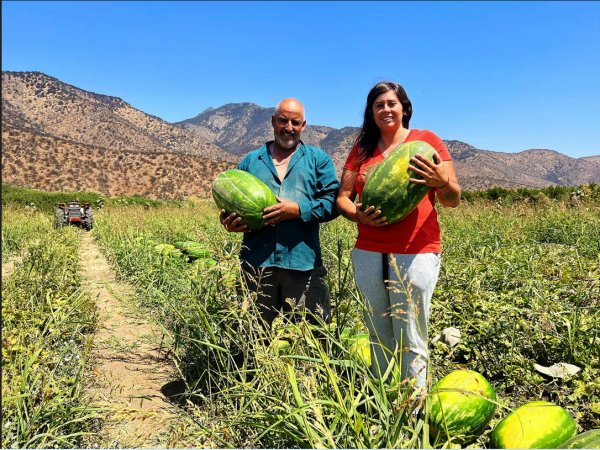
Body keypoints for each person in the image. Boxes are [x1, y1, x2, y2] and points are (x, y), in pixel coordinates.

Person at [336, 82, 461, 394]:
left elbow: (452, 198)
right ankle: (383, 399)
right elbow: (343, 198)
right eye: (378, 105)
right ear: (371, 112)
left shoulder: (426, 142)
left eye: (391, 103)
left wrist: (441, 181)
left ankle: (413, 407)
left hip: (415, 250)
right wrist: (356, 214)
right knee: (377, 330)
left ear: (404, 108)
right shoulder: (362, 149)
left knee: (410, 333)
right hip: (367, 251)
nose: (385, 110)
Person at [220, 98, 339, 328]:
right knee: (253, 336)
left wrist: (298, 210)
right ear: (273, 121)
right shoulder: (251, 162)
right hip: (256, 266)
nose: (289, 127)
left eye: (295, 122)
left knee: (308, 337)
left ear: (303, 125)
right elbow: (230, 199)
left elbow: (333, 203)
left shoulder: (318, 160)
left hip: (303, 267)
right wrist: (227, 220)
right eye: (283, 120)